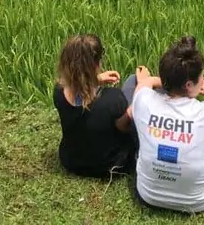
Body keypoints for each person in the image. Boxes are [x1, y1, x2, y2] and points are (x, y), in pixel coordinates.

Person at [130, 36, 204, 214]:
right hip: (199, 201)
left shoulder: (143, 100)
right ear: (189, 84)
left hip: (149, 197)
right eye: (202, 77)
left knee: (138, 104)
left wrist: (170, 80)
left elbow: (145, 82)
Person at [53, 33, 140, 178]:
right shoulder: (112, 98)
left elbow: (76, 87)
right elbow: (124, 128)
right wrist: (140, 94)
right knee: (133, 80)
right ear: (97, 63)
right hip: (110, 166)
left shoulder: (59, 92)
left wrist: (95, 79)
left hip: (71, 161)